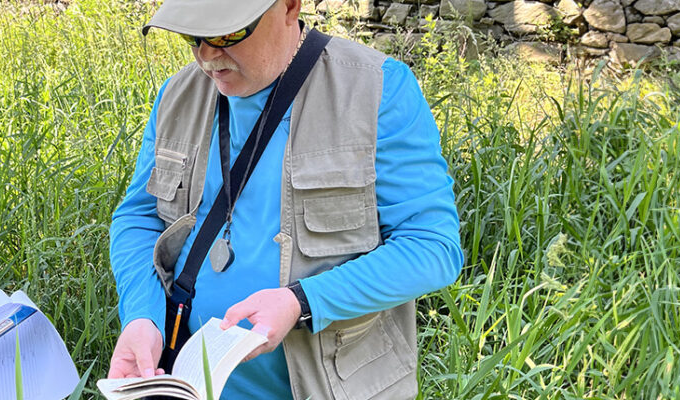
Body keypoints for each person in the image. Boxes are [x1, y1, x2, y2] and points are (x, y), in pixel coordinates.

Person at [107, 0, 464, 398]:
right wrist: (142, 316)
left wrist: (302, 301)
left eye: (227, 33)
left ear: (290, 6)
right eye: (193, 36)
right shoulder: (177, 94)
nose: (206, 55)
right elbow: (139, 217)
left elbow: (433, 247)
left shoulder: (377, 90)